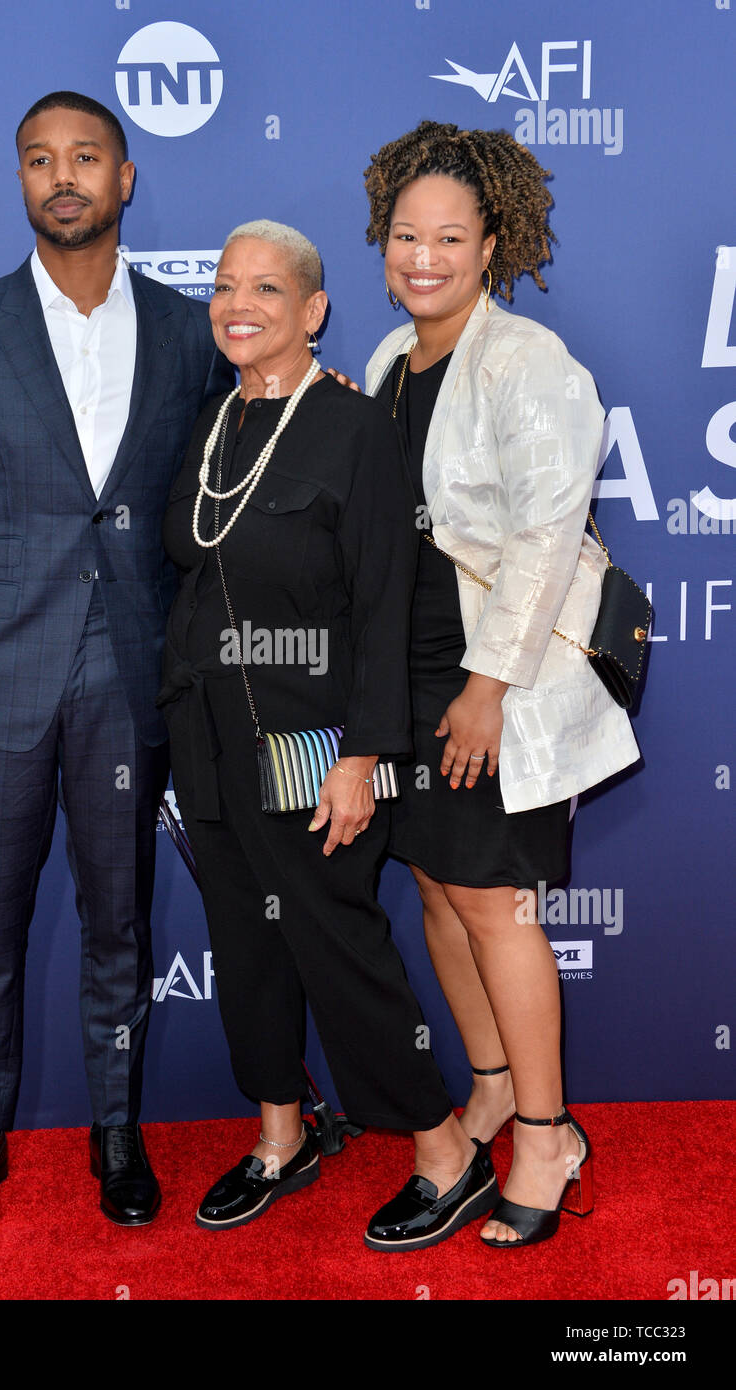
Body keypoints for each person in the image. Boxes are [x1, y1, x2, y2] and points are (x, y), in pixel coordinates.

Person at [0, 91, 233, 1241]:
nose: (62, 177)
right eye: (40, 159)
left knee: (119, 927)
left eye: (85, 156)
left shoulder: (191, 331)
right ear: (22, 181)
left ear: (126, 177)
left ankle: (116, 1129)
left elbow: (243, 460)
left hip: (129, 683)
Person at [159, 219, 499, 1250]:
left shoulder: (351, 429)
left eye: (265, 288)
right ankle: (280, 1134)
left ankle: (442, 1150)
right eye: (223, 286)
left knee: (335, 942)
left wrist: (362, 754)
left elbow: (385, 603)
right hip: (206, 735)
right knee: (246, 946)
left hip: (312, 739)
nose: (236, 304)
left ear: (311, 312)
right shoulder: (213, 420)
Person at [362, 121, 641, 1246]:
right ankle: (484, 1085)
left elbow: (541, 535)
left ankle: (542, 1132)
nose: (421, 256)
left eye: (447, 237)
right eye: (402, 235)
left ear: (491, 245)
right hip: (413, 673)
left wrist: (483, 687)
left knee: (496, 903)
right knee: (435, 890)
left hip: (500, 679)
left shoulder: (527, 363)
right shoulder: (388, 361)